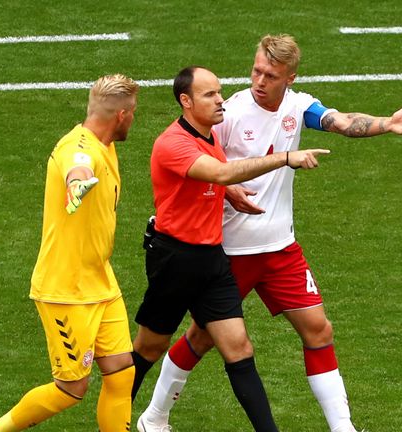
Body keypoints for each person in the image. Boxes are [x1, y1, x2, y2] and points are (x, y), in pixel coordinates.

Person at [136, 34, 402, 432]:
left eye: (270, 75)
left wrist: (384, 124)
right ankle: (154, 416)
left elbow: (341, 122)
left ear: (290, 78)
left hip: (280, 249)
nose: (258, 80)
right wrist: (229, 187)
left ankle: (343, 428)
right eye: (256, 70)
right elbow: (203, 165)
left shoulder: (299, 106)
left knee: (319, 329)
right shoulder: (229, 114)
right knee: (202, 339)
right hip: (229, 251)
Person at [130, 65, 329, 432]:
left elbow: (218, 178)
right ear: (186, 101)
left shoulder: (210, 138)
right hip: (174, 259)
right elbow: (220, 173)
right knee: (149, 349)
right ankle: (114, 421)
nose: (220, 99)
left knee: (239, 349)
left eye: (219, 92)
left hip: (211, 260)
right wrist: (286, 157)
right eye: (209, 94)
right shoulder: (172, 142)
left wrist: (231, 192)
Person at [0, 74, 140, 432]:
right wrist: (77, 183)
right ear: (121, 116)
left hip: (100, 279)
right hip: (66, 289)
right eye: (133, 113)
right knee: (71, 388)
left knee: (121, 372)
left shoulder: (106, 145)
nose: (134, 119)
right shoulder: (78, 147)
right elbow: (77, 166)